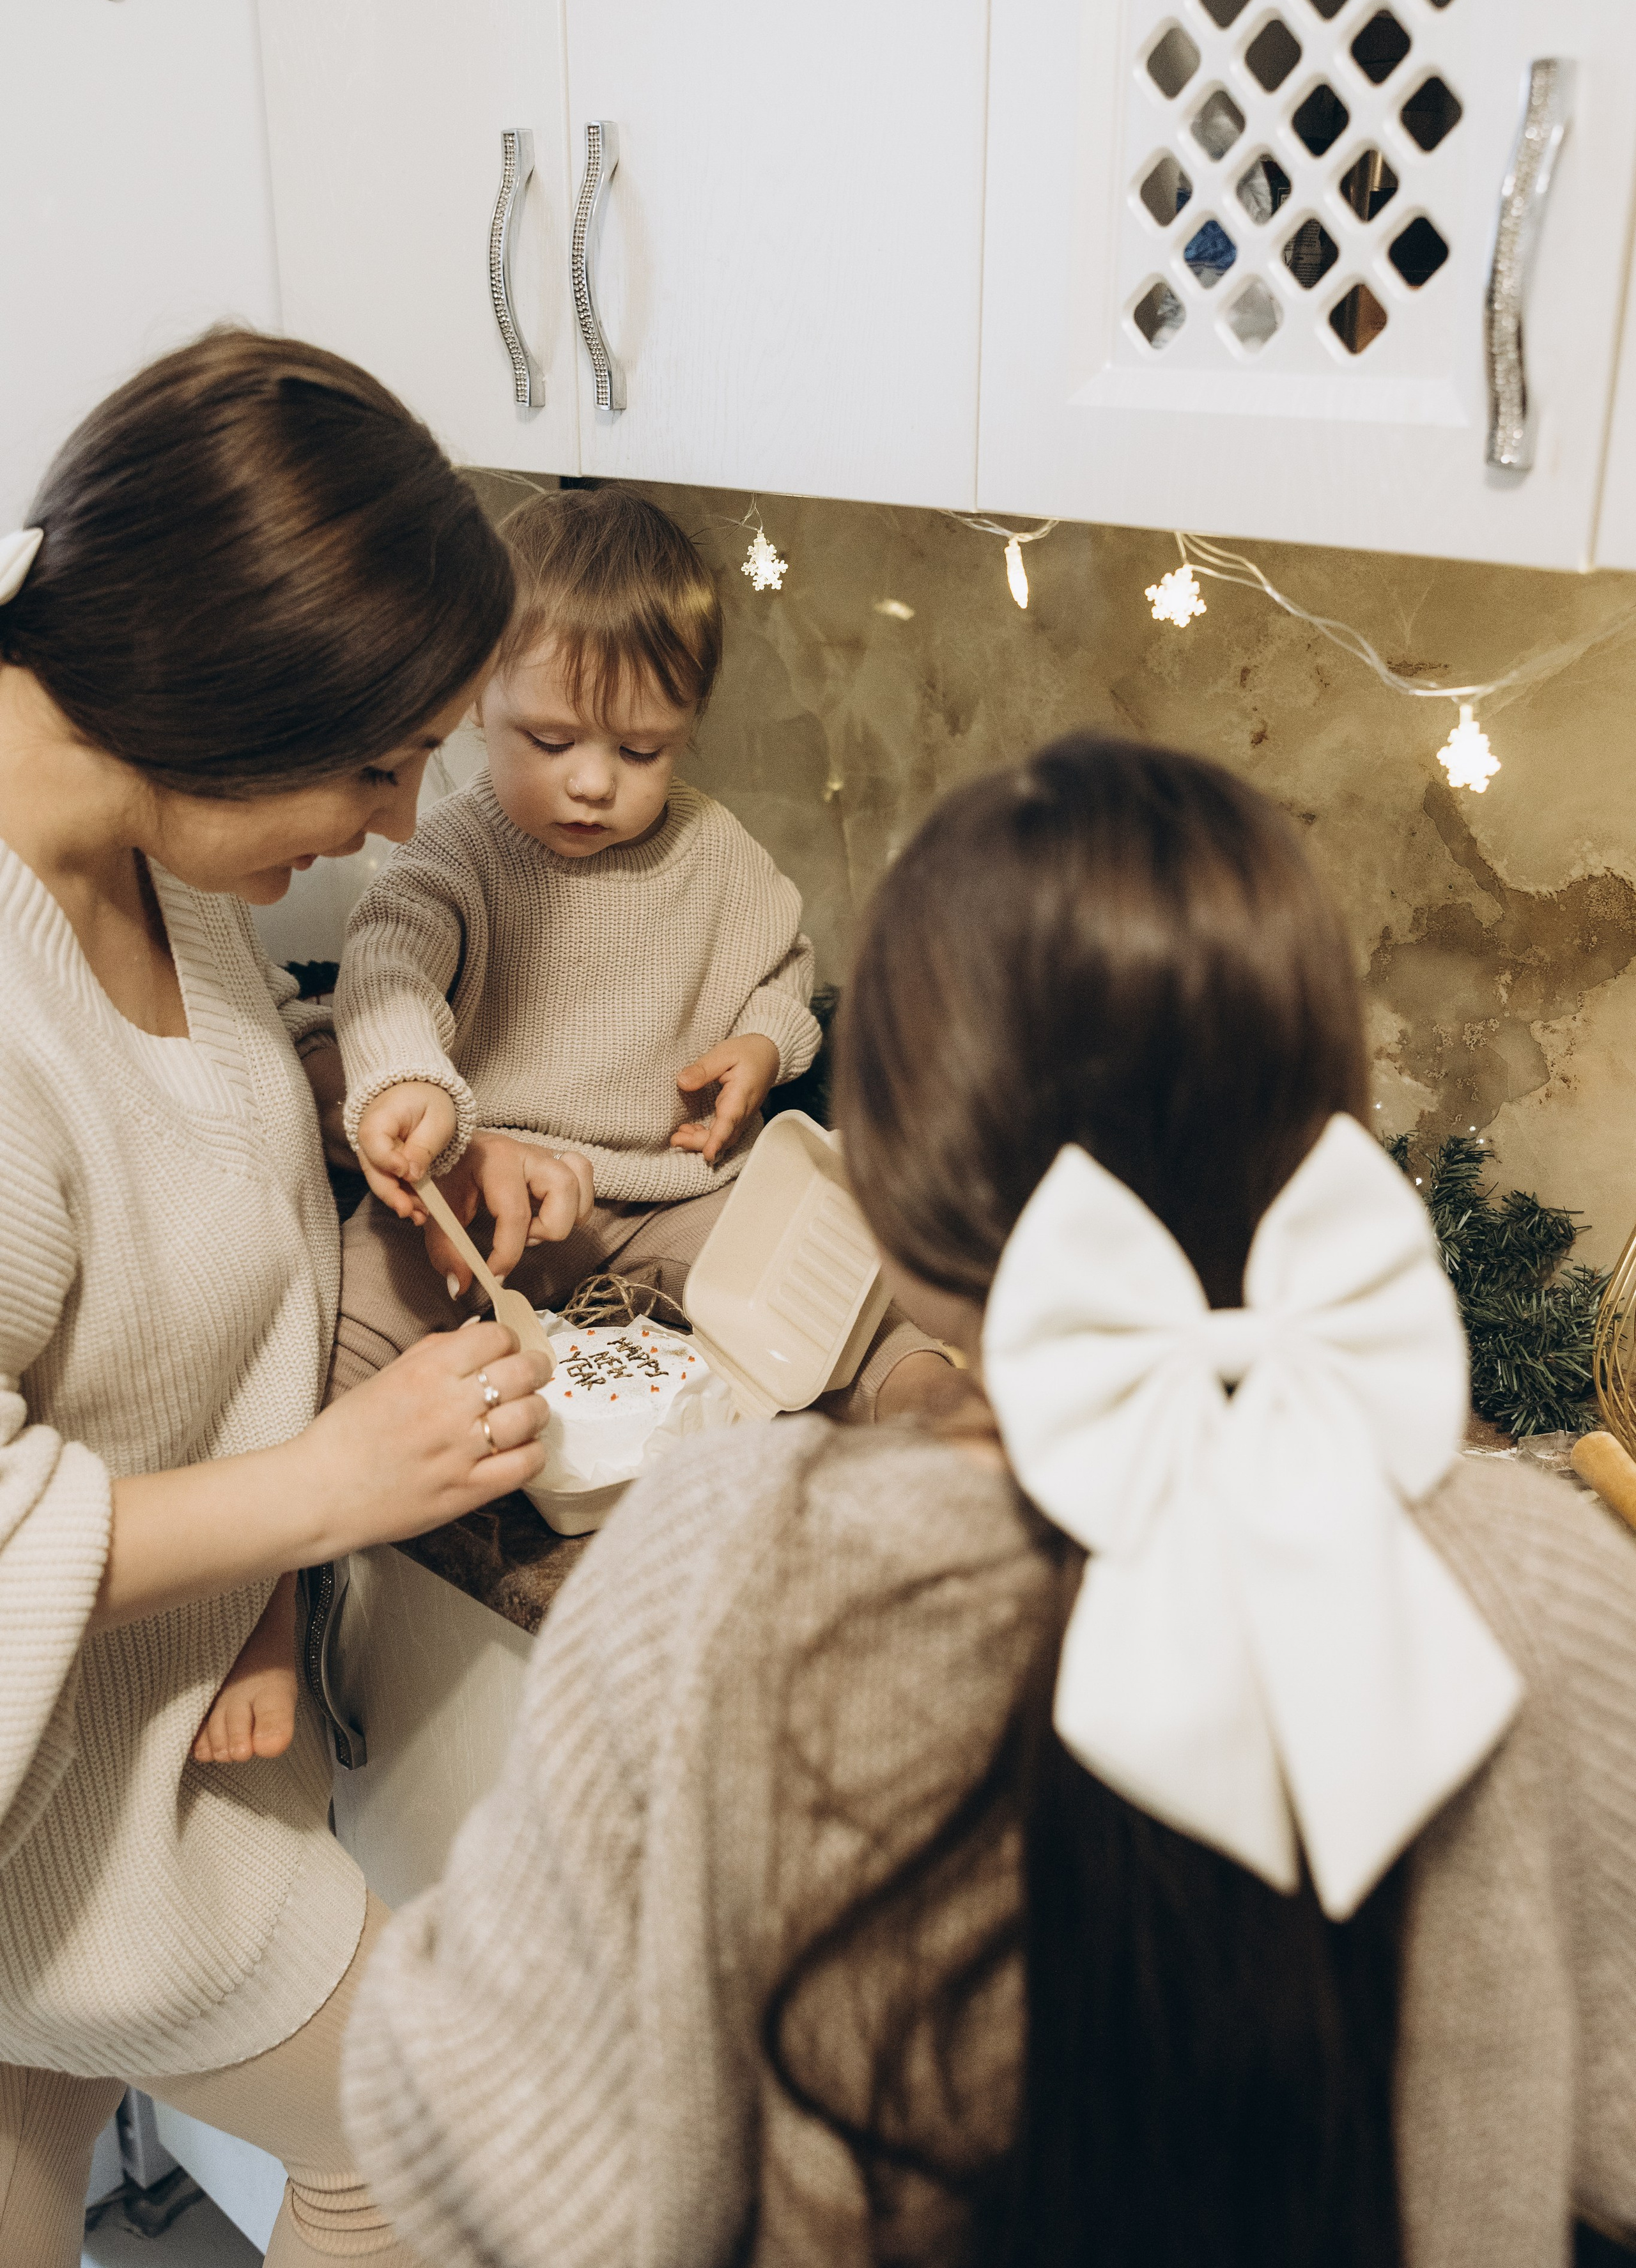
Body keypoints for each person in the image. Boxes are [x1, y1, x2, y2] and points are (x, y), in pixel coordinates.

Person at [341, 732, 1636, 2268]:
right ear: (1326, 1136)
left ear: (885, 1185)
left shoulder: (711, 1561)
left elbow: (466, 2131)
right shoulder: (1535, 1581)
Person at [0, 330, 561, 2267]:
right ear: (223, 697)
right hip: (60, 1834)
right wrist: (333, 1487)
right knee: (432, 2143)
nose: (404, 824)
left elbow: (152, 1142)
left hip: (138, 1737)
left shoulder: (150, 865)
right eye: (382, 761)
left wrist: (350, 1101)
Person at [325, 483, 949, 1416]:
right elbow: (386, 967)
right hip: (478, 1191)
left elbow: (784, 969)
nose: (591, 783)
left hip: (668, 1197)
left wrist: (762, 1046)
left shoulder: (716, 848)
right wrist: (407, 1078)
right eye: (551, 738)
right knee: (349, 1323)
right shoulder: (456, 846)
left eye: (642, 751)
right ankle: (318, 1509)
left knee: (821, 1301)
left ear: (689, 729)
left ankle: (936, 1409)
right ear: (474, 704)